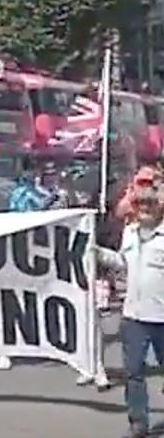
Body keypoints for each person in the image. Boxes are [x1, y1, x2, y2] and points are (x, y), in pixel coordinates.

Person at [97, 187, 164, 438]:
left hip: (161, 317)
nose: (144, 207)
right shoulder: (130, 233)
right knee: (134, 373)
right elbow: (122, 264)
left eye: (150, 203)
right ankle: (138, 423)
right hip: (133, 317)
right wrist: (98, 253)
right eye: (140, 203)